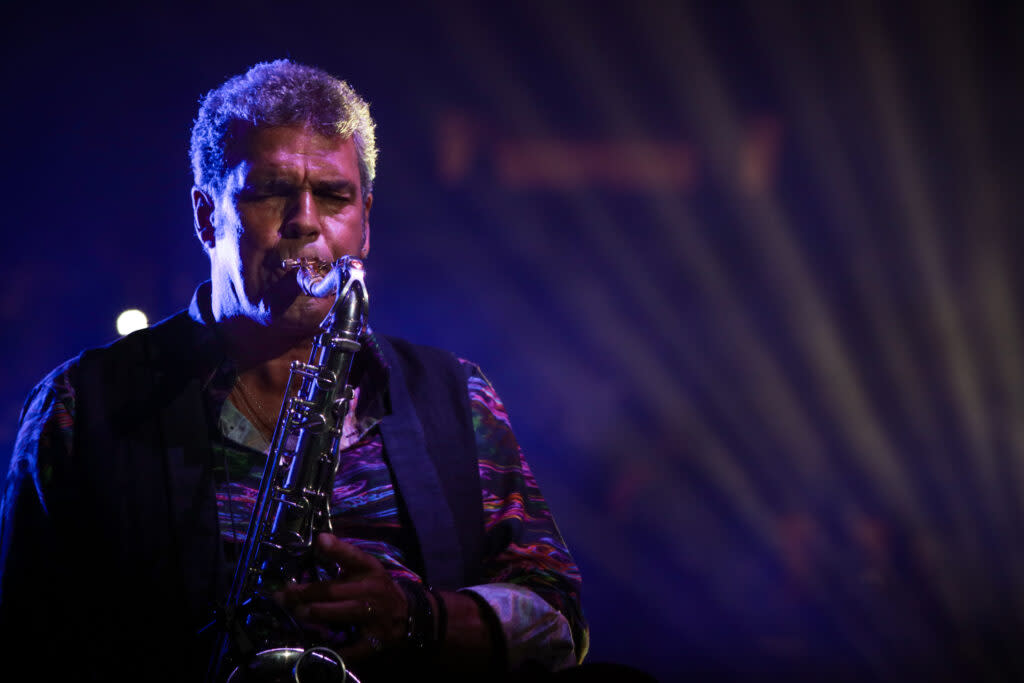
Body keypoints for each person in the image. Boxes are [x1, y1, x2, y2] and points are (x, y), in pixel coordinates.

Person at [0, 60, 588, 682]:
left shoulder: (456, 394)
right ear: (207, 217)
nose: (305, 221)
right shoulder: (81, 406)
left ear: (364, 226)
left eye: (334, 196)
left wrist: (419, 619)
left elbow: (559, 620)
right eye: (269, 191)